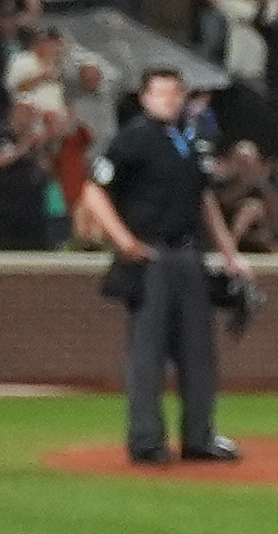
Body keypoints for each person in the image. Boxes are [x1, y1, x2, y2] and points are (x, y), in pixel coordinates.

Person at [79, 64, 246, 469]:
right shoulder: (133, 139)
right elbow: (93, 191)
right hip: (151, 256)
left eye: (175, 92)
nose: (169, 99)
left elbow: (204, 201)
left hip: (189, 255)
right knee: (148, 351)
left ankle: (199, 436)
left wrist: (229, 253)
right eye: (161, 92)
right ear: (144, 97)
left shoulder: (189, 141)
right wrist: (125, 241)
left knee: (197, 351)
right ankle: (146, 441)